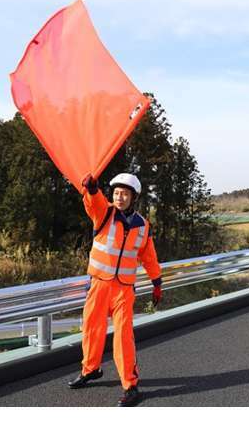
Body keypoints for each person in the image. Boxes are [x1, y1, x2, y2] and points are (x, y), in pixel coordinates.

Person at [68, 172, 162, 407]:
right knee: (92, 327)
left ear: (134, 198)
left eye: (125, 194)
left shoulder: (143, 225)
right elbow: (94, 202)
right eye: (117, 193)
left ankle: (130, 386)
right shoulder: (105, 213)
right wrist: (91, 190)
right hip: (99, 283)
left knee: (123, 336)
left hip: (123, 288)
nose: (119, 198)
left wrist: (157, 281)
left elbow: (149, 256)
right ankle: (90, 369)